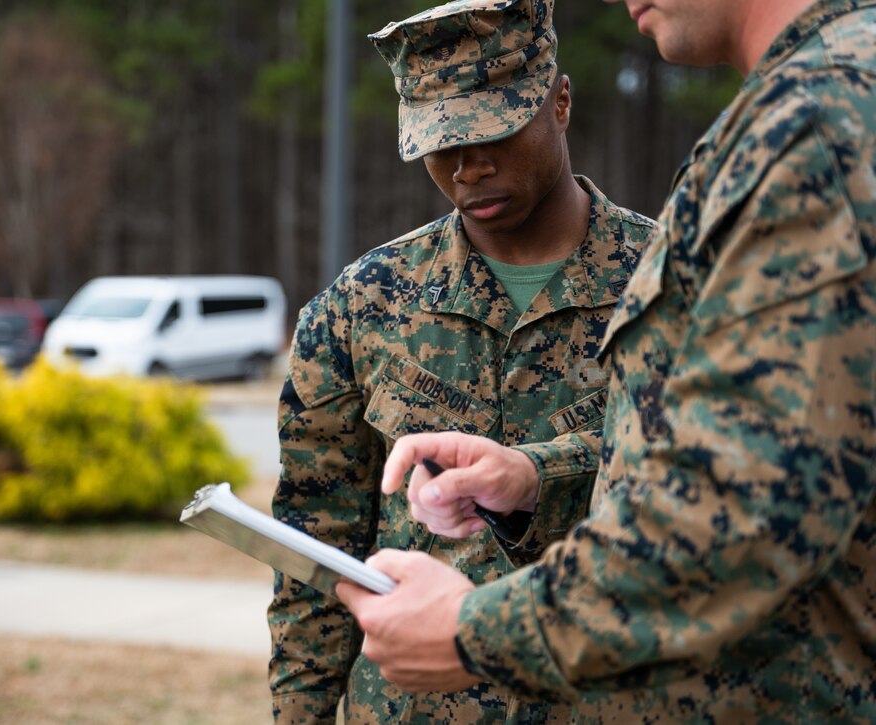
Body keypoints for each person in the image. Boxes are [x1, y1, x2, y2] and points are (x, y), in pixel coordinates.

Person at [336, 0, 876, 721]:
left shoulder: (818, 123)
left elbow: (742, 511)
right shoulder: (824, 100)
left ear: (559, 102)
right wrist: (537, 476)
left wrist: (474, 633)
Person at [267, 1, 656, 722]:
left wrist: (544, 475)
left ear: (560, 102)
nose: (468, 167)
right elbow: (315, 557)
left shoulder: (672, 282)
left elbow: (710, 487)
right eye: (439, 143)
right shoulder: (362, 305)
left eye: (495, 133)